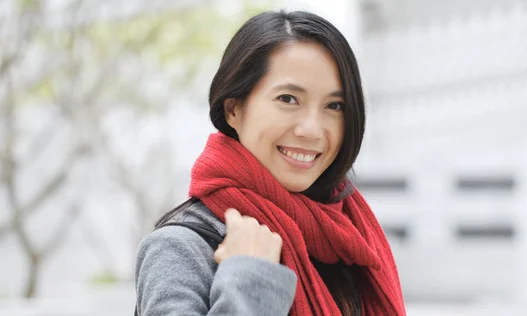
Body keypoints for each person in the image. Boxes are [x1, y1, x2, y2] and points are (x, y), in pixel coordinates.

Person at [135, 10, 406, 316]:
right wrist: (251, 279)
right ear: (234, 109)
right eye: (288, 99)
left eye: (334, 105)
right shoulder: (180, 248)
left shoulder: (347, 239)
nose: (312, 130)